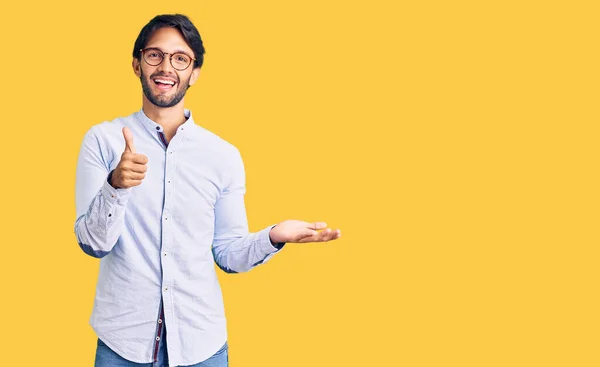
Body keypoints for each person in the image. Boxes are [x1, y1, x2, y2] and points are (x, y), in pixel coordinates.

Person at [74, 13, 341, 367]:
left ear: (194, 72)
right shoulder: (103, 140)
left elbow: (228, 253)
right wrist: (115, 186)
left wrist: (275, 236)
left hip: (201, 346)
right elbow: (93, 244)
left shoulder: (222, 155)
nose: (166, 67)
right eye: (154, 55)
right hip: (122, 344)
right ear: (136, 64)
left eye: (180, 58)